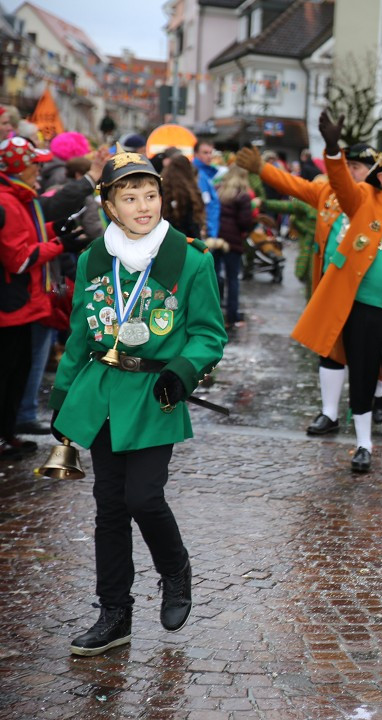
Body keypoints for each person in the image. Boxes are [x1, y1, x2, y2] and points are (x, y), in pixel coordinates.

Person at [49, 152, 226, 655]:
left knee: (143, 497)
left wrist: (183, 370)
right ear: (109, 205)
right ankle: (114, 613)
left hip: (155, 396)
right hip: (102, 393)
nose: (143, 206)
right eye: (130, 198)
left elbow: (209, 335)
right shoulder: (93, 260)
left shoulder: (189, 258)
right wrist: (62, 401)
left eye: (150, 195)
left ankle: (175, 570)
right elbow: (80, 333)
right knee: (109, 505)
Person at [291, 111, 382, 480]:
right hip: (363, 312)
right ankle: (363, 446)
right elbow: (340, 182)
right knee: (360, 379)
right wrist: (331, 148)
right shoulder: (362, 203)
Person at [235, 141, 379, 435]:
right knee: (329, 348)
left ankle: (377, 401)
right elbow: (293, 186)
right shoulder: (328, 194)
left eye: (357, 167)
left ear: (372, 171)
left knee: (369, 352)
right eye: (346, 166)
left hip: (368, 290)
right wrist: (262, 169)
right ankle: (329, 413)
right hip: (330, 287)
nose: (349, 173)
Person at [0, 137, 89, 457]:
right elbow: (19, 259)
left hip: (20, 306)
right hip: (10, 305)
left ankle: (8, 433)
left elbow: (30, 236)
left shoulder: (19, 197)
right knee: (7, 375)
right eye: (34, 164)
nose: (38, 169)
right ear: (19, 166)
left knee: (17, 373)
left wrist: (55, 229)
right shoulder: (8, 201)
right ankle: (4, 436)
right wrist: (60, 245)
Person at [216, 166, 255, 328]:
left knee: (214, 275)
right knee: (233, 279)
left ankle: (214, 313)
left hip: (217, 238)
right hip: (233, 241)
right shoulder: (243, 196)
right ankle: (232, 315)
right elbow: (244, 222)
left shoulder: (219, 191)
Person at [161, 155, 206, 240]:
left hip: (166, 237)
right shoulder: (189, 192)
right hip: (186, 240)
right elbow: (192, 222)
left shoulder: (163, 189)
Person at [192, 139, 220, 243]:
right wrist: (208, 231)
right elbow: (203, 204)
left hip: (209, 230)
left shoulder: (206, 174)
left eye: (210, 152)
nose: (209, 156)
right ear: (196, 154)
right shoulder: (197, 174)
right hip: (205, 232)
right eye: (205, 153)